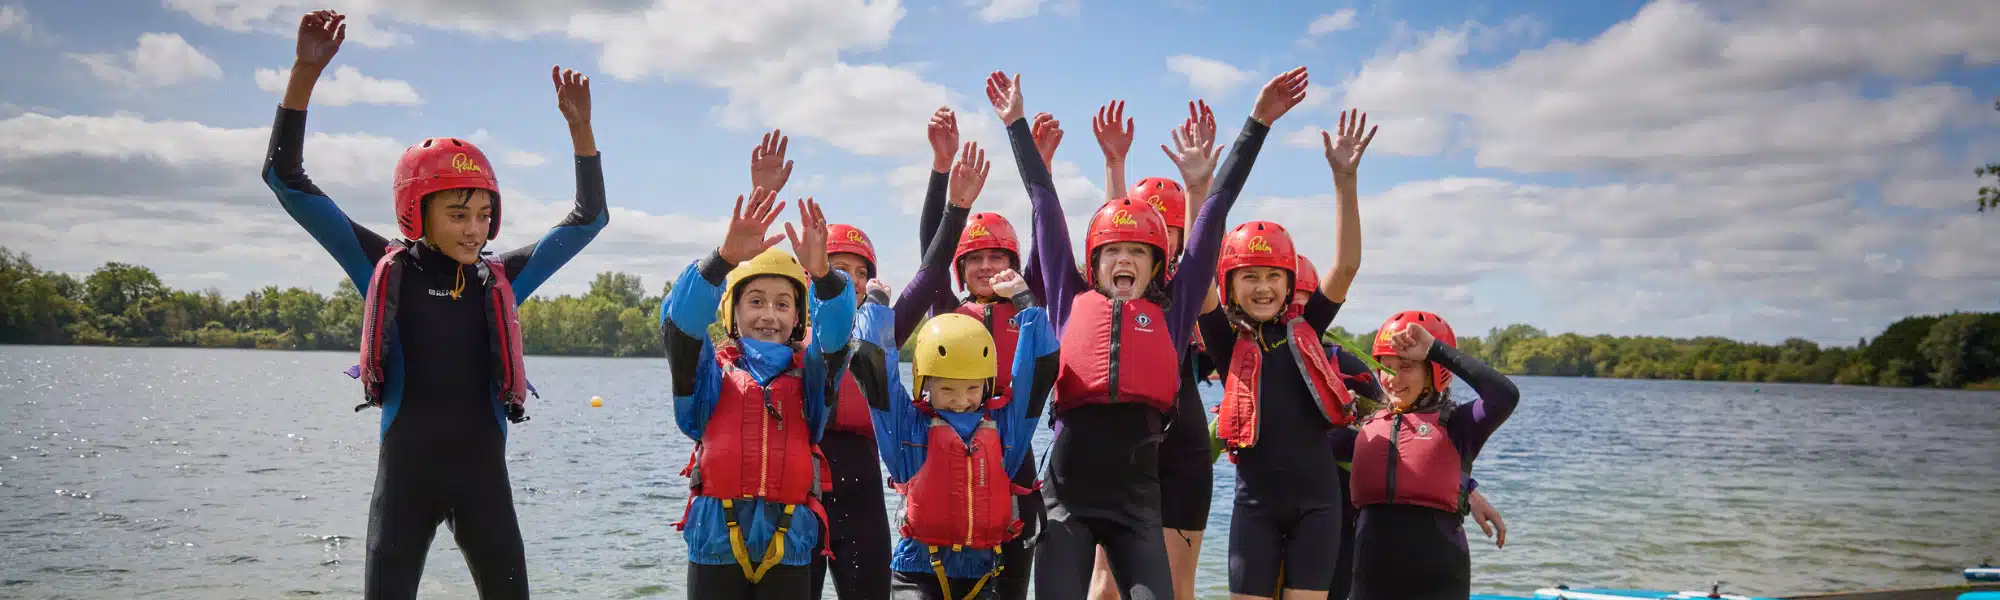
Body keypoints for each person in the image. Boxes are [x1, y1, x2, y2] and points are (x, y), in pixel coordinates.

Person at [264, 10, 605, 599]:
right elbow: (286, 179)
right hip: (404, 490)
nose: (475, 229)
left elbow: (587, 220)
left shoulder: (498, 281)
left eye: (484, 214)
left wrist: (581, 132)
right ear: (414, 211)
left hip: (484, 487)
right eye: (457, 213)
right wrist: (304, 74)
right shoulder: (384, 269)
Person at [984, 66, 1309, 600]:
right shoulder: (1069, 298)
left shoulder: (1175, 312)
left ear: (1158, 263)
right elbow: (1043, 203)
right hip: (1068, 499)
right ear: (1097, 260)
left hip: (1138, 505)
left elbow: (1216, 212)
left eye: (1137, 251)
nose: (1124, 259)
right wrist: (1016, 123)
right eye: (1113, 250)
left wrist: (1258, 123)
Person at [658, 189, 856, 599]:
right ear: (733, 312)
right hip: (716, 541)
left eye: (784, 304)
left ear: (799, 317)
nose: (770, 314)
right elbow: (680, 321)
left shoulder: (812, 374)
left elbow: (836, 332)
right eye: (756, 301)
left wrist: (823, 276)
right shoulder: (709, 373)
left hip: (789, 543)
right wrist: (723, 259)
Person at [1069, 99, 1224, 600]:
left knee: (1178, 587)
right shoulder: (1112, 284)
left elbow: (1203, 265)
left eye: (1166, 228)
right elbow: (1112, 228)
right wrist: (1114, 166)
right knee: (1105, 583)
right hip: (1123, 447)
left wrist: (1199, 187)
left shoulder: (1183, 296)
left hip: (1182, 448)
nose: (1147, 233)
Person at [738, 129, 894, 600]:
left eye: (859, 271)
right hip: (799, 492)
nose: (849, 279)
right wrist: (764, 195)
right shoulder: (780, 335)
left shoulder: (885, 329)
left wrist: (945, 182)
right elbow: (747, 270)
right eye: (834, 266)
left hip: (862, 493)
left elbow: (930, 269)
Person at [850, 266, 1058, 600]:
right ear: (925, 384)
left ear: (988, 384)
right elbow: (869, 359)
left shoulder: (1006, 429)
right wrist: (874, 305)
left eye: (973, 389)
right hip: (917, 575)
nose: (961, 402)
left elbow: (1041, 363)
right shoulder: (908, 428)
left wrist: (1024, 300)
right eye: (947, 389)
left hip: (981, 576)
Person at [909, 106, 1040, 600]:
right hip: (946, 451)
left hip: (1011, 454)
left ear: (1013, 264)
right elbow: (931, 252)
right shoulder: (946, 309)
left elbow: (1047, 238)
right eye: (976, 259)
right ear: (962, 269)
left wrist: (1038, 163)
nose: (987, 267)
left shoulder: (1032, 306)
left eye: (998, 257)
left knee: (1009, 585)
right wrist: (941, 172)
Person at [1332, 311, 1520, 600]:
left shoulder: (1460, 423)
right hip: (1370, 573)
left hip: (1438, 574)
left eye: (1406, 367)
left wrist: (1436, 350)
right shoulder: (1364, 423)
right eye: (1386, 367)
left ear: (1435, 373)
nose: (1392, 379)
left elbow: (1505, 396)